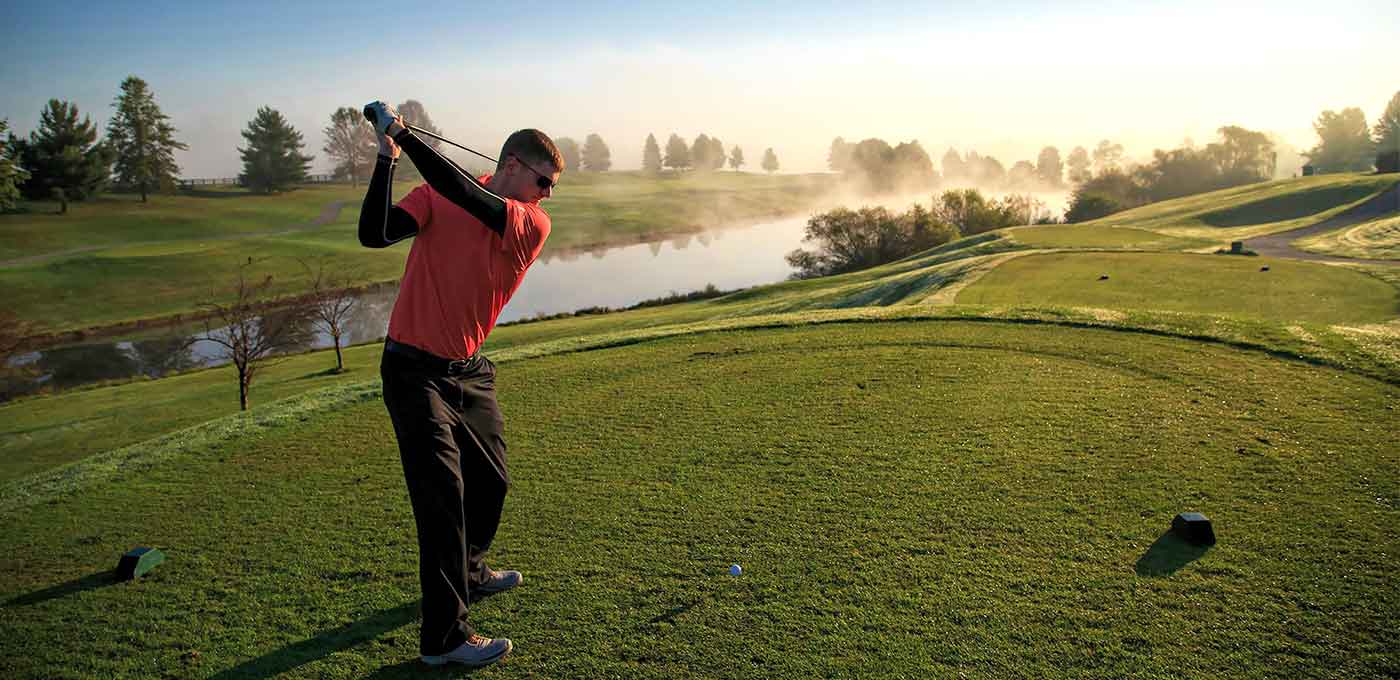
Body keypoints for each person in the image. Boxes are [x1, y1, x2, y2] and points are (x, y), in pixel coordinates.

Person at [357, 100, 562, 668]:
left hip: (468, 370)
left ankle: (469, 571)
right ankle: (444, 640)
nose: (548, 195)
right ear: (514, 164)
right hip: (411, 371)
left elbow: (469, 198)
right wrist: (385, 155)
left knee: (491, 483)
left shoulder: (528, 222)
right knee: (442, 500)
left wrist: (406, 137)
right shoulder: (437, 194)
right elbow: (373, 235)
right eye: (544, 182)